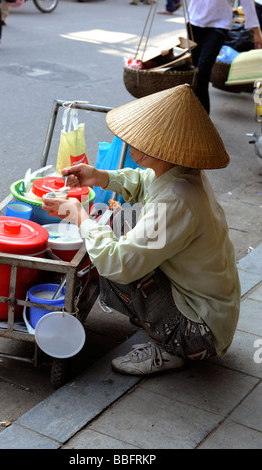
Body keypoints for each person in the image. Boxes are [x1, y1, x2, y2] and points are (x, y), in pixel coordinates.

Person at [42, 84, 241, 377]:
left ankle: (173, 346)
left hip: (200, 331)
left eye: (138, 140)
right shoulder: (180, 174)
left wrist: (79, 216)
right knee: (117, 226)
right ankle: (166, 330)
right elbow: (144, 181)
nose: (131, 143)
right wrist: (99, 177)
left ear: (157, 148)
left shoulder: (176, 199)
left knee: (106, 264)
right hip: (213, 310)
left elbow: (116, 263)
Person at [186, 0, 262, 114]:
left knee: (203, 70)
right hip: (193, 21)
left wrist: (256, 31)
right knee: (193, 71)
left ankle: (202, 117)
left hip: (219, 25)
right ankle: (190, 114)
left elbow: (247, 2)